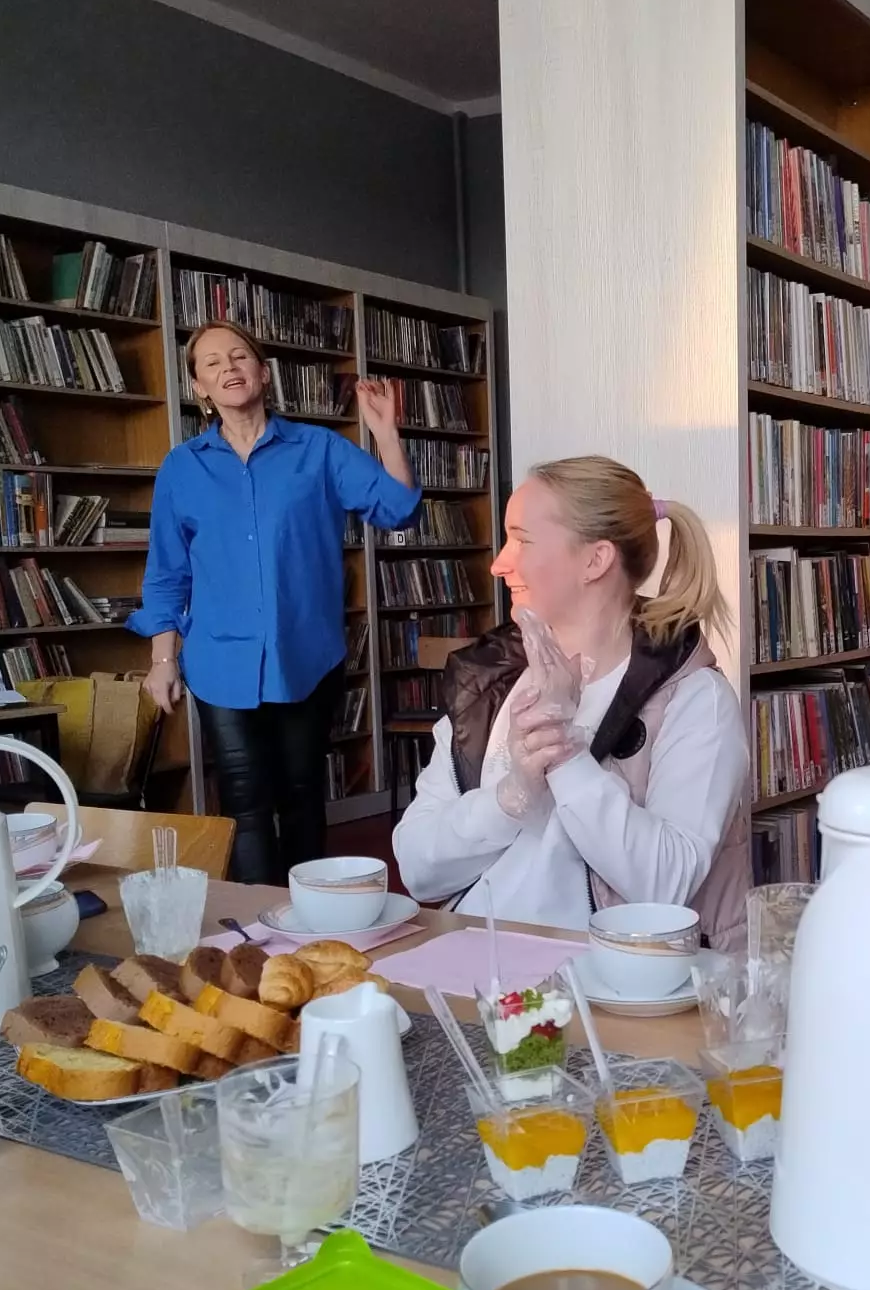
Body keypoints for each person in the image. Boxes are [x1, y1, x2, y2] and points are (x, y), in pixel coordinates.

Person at [392, 456, 750, 944]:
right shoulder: (486, 686)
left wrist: (562, 752)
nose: (499, 564)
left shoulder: (696, 700)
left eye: (521, 540)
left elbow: (667, 886)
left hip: (608, 981)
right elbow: (417, 869)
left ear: (595, 560)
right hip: (474, 964)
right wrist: (509, 798)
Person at [130, 319, 419, 883]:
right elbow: (166, 573)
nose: (229, 368)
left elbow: (398, 510)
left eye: (239, 356)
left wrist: (385, 435)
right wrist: (163, 659)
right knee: (245, 800)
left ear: (263, 373)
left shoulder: (319, 449)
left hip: (306, 655)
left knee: (303, 794)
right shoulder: (183, 467)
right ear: (199, 387)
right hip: (219, 660)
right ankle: (260, 923)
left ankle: (309, 918)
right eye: (212, 363)